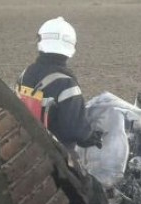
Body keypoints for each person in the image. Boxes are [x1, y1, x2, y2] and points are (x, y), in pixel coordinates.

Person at [16, 17, 102, 151]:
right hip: (54, 158)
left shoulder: (25, 74)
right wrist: (90, 137)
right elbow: (74, 129)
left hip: (24, 148)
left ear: (41, 42)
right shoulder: (67, 84)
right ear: (71, 46)